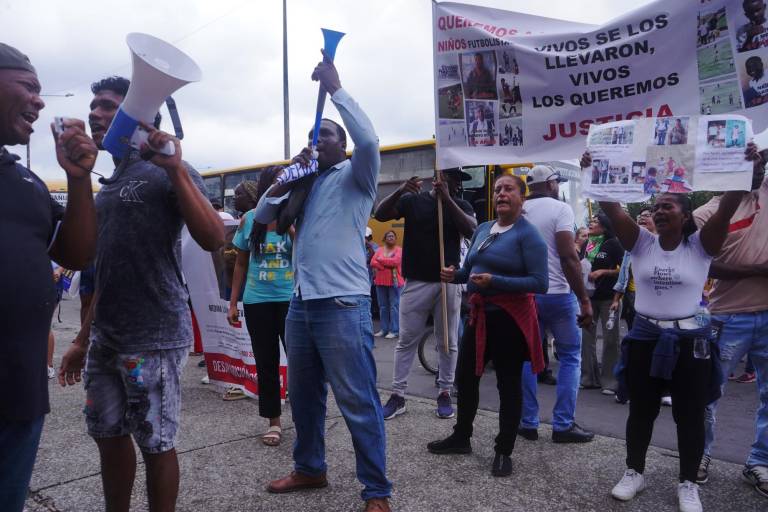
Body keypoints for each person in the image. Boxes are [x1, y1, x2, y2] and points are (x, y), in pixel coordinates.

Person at [58, 75, 225, 512]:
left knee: (155, 442)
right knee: (108, 437)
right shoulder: (108, 181)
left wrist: (173, 169)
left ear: (138, 117)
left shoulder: (168, 169)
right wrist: (81, 340)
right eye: (93, 106)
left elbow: (212, 239)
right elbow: (109, 275)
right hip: (106, 339)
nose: (95, 113)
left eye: (108, 106)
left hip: (154, 338)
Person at [254, 51, 392, 511]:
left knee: (357, 401)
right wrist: (287, 178)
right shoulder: (304, 185)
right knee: (304, 398)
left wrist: (336, 88)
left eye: (325, 134)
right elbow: (261, 216)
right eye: (313, 135)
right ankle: (310, 468)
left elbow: (370, 140)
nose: (317, 140)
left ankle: (377, 491)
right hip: (302, 303)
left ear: (341, 144)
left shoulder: (356, 176)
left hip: (342, 305)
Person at [582, 149, 755, 512]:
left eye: (668, 207)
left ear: (685, 215)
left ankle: (688, 483)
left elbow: (728, 206)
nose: (660, 212)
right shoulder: (640, 243)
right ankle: (634, 472)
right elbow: (613, 209)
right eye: (656, 207)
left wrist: (749, 167)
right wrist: (593, 171)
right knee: (641, 411)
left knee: (688, 415)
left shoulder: (702, 246)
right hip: (645, 337)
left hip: (691, 342)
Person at [0, 44, 97, 512]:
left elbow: (76, 253)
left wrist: (79, 179)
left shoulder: (26, 182)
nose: (40, 102)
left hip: (19, 399)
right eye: (29, 87)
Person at [426, 174, 548, 477]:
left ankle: (504, 450)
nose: (501, 194)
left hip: (510, 319)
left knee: (508, 385)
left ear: (522, 196)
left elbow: (540, 283)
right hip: (479, 317)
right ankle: (461, 437)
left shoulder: (528, 235)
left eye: (508, 189)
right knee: (465, 379)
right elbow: (470, 270)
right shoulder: (482, 229)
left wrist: (497, 282)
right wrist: (453, 274)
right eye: (497, 190)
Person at [695, 149, 768, 499]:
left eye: (762, 165)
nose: (759, 171)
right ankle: (700, 455)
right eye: (750, 165)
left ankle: (760, 462)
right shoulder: (705, 214)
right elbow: (706, 265)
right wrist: (757, 271)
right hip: (727, 318)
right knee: (709, 392)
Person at [375, 169, 476, 421]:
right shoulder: (413, 201)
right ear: (437, 177)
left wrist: (448, 200)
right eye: (450, 178)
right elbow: (380, 214)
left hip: (447, 281)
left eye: (457, 182)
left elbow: (471, 229)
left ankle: (444, 391)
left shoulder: (460, 204)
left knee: (448, 340)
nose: (454, 185)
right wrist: (400, 190)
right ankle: (398, 395)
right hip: (417, 281)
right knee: (406, 339)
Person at [518, 166, 595, 443]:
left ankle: (528, 422)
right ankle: (562, 424)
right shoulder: (561, 210)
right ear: (551, 184)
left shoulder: (519, 210)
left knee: (527, 358)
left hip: (527, 296)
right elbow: (568, 257)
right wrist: (584, 299)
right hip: (559, 295)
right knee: (570, 357)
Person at [227, 166, 293, 446]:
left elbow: (307, 256)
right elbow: (240, 263)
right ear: (267, 188)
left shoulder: (295, 215)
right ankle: (274, 421)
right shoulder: (249, 220)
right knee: (266, 363)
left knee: (301, 363)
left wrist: (293, 229)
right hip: (257, 301)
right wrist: (233, 303)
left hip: (292, 300)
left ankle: (306, 417)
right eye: (277, 182)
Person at [580, 213, 624, 394]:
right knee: (586, 337)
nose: (591, 224)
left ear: (605, 226)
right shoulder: (587, 244)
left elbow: (624, 270)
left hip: (608, 298)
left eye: (595, 221)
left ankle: (610, 381)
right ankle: (589, 378)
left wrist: (604, 272)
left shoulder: (614, 244)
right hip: (589, 296)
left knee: (610, 339)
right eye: (590, 221)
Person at [370, 230, 404, 339]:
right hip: (380, 281)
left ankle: (394, 330)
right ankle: (384, 329)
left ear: (395, 238)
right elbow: (372, 262)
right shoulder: (379, 250)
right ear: (385, 238)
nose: (391, 238)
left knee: (394, 306)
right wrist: (383, 265)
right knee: (383, 307)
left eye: (392, 236)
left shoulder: (399, 250)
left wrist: (381, 261)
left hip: (395, 282)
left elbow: (395, 262)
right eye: (388, 236)